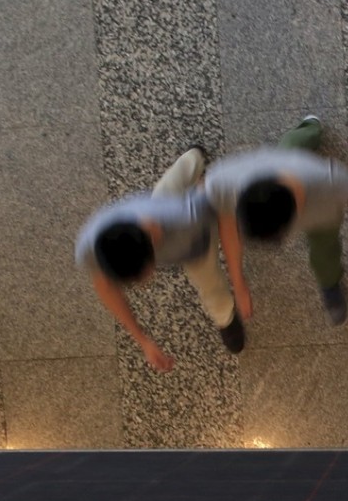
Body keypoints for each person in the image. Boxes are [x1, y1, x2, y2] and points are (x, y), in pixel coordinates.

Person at [75, 147, 245, 371]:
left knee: (211, 286)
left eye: (141, 277)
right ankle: (194, 157)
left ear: (151, 257)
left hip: (195, 244)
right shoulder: (90, 245)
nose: (144, 284)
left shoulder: (187, 220)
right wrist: (143, 340)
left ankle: (225, 316)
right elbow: (105, 285)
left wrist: (239, 282)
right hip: (159, 207)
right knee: (172, 182)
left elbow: (225, 213)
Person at [204, 116, 348, 325]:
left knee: (325, 248)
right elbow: (227, 225)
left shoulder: (331, 181)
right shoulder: (221, 182)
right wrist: (238, 283)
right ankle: (308, 130)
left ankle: (311, 127)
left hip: (323, 217)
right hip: (286, 167)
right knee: (288, 149)